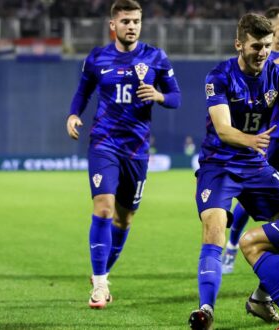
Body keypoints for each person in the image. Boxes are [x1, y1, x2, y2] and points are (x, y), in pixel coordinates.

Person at [188, 13, 279, 330]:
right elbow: (223, 129)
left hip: (256, 166)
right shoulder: (219, 76)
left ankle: (260, 297)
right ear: (239, 44)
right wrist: (251, 140)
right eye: (256, 46)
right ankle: (206, 310)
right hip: (219, 164)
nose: (263, 52)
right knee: (214, 227)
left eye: (268, 46)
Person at [66, 0, 181, 309]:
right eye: (126, 21)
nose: (132, 26)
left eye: (136, 21)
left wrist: (158, 95)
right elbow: (83, 91)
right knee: (103, 207)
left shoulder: (156, 57)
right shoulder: (97, 57)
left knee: (125, 218)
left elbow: (176, 98)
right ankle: (100, 284)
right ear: (113, 25)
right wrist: (73, 114)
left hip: (137, 150)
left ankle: (102, 272)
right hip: (104, 143)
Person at [221, 6, 279, 275]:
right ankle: (233, 245)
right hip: (265, 139)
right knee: (251, 199)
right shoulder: (268, 58)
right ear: (272, 26)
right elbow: (274, 66)